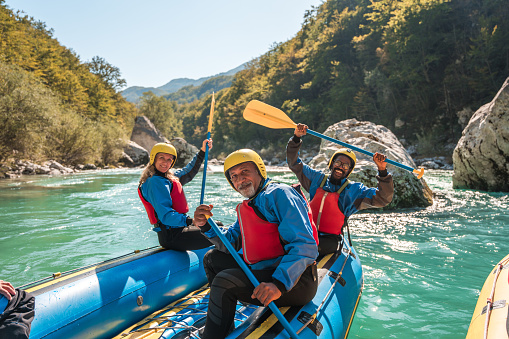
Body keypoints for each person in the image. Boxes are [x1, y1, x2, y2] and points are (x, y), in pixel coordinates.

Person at [193, 149, 319, 338]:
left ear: (260, 171)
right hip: (264, 270)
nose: (240, 180)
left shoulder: (280, 194)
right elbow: (231, 243)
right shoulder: (250, 203)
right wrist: (205, 226)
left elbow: (304, 245)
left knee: (224, 281)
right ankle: (222, 321)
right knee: (212, 259)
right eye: (234, 176)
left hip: (296, 281)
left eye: (245, 172)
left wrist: (278, 284)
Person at [287, 123, 394, 256]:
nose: (340, 167)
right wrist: (296, 138)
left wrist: (382, 171)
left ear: (349, 171)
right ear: (331, 164)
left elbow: (383, 198)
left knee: (310, 249)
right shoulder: (317, 179)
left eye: (345, 165)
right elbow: (294, 163)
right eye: (338, 163)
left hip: (329, 240)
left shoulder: (354, 191)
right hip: (307, 233)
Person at [138, 140, 213, 251]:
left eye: (169, 159)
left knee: (216, 225)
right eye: (161, 158)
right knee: (217, 232)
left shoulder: (167, 178)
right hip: (173, 236)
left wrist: (202, 151)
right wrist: (191, 221)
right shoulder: (154, 182)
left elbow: (189, 172)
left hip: (179, 230)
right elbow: (166, 216)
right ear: (154, 158)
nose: (165, 162)